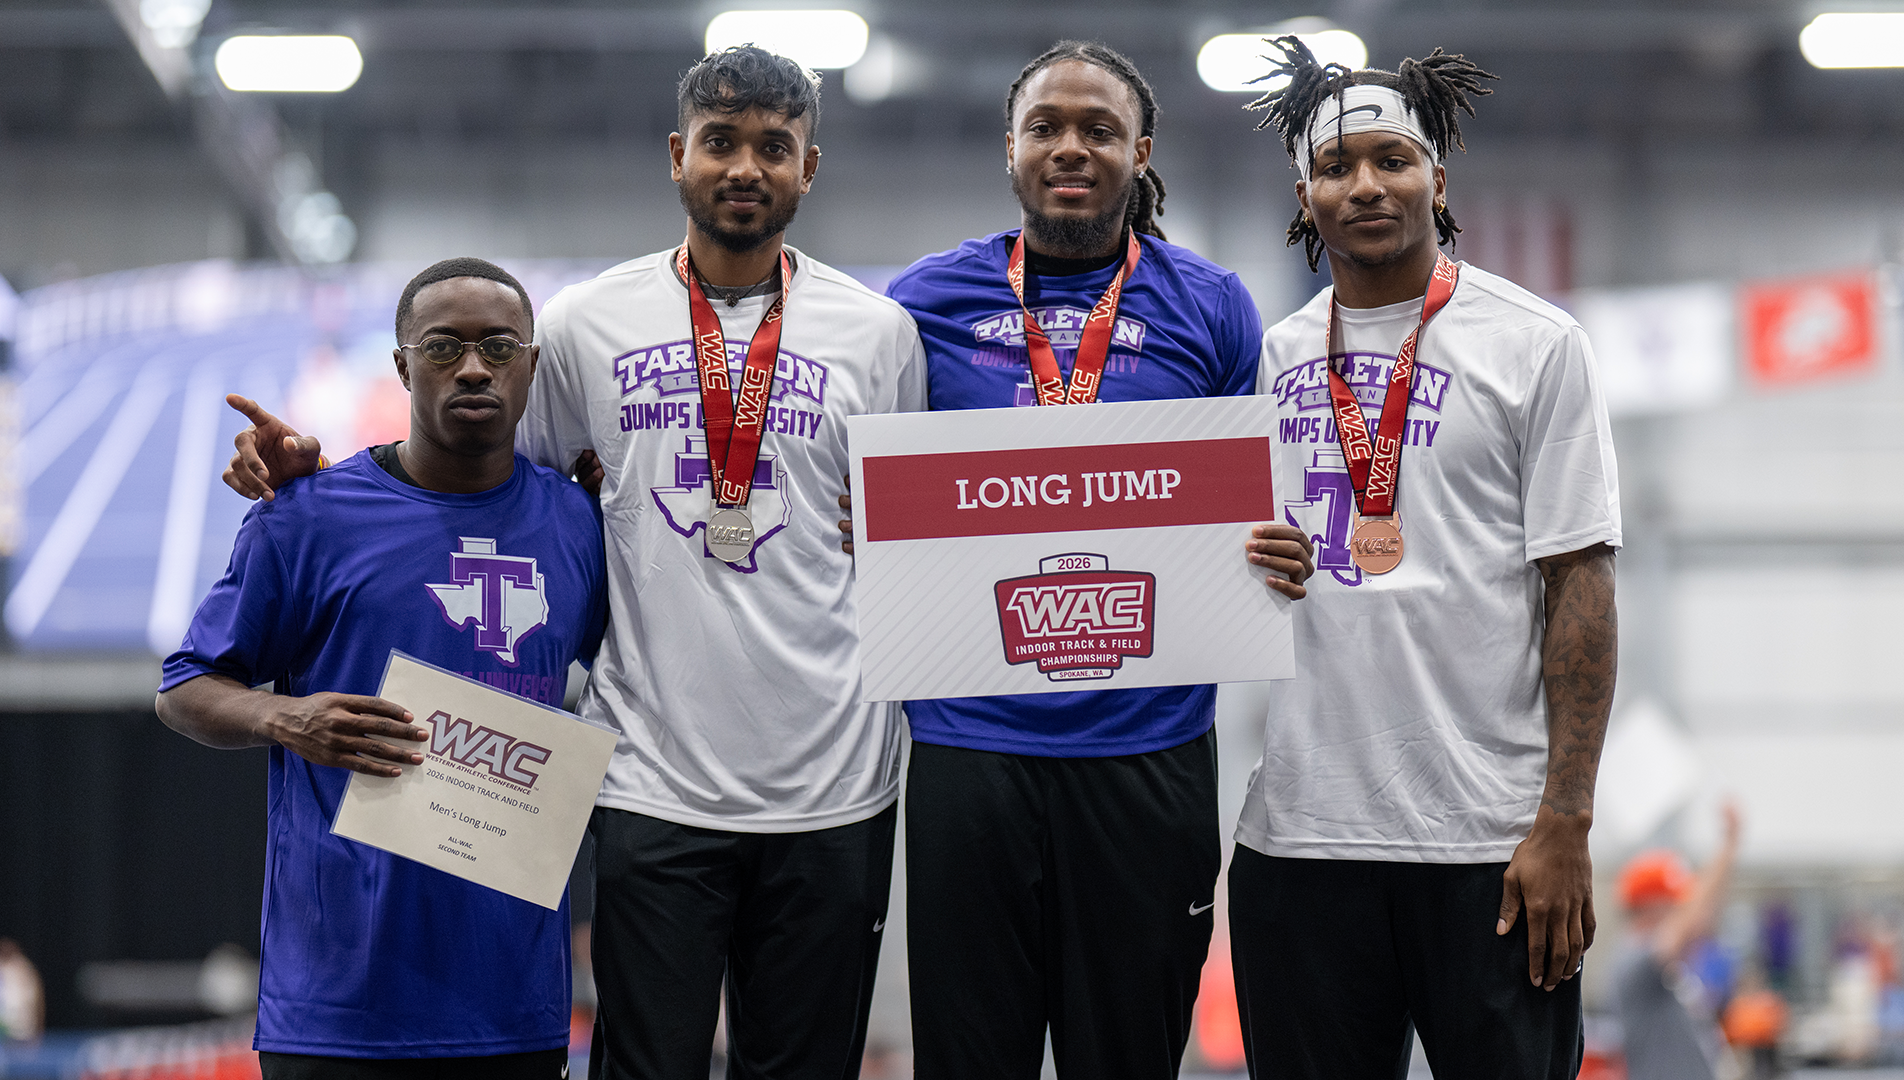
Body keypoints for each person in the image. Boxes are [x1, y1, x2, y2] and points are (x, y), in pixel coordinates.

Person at [222, 47, 926, 1080]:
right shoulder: (587, 325)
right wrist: (331, 485)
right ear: (677, 156)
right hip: (649, 786)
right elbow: (481, 479)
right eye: (720, 143)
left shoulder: (881, 334)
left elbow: (898, 546)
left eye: (773, 147)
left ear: (808, 167)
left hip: (838, 785)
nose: (744, 167)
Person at [877, 40, 1312, 1080]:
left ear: (1139, 150)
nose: (1072, 148)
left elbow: (1261, 499)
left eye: (1099, 130)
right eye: (1048, 128)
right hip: (968, 747)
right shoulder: (923, 301)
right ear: (1012, 149)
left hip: (1146, 750)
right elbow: (855, 485)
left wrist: (1277, 544)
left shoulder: (1211, 305)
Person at [1229, 39, 1622, 1079]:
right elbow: (1210, 566)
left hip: (1490, 851)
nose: (1365, 184)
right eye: (1336, 165)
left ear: (1437, 179)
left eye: (1391, 160)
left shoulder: (1535, 345)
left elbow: (1579, 585)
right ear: (1304, 193)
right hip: (1302, 843)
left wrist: (1566, 824)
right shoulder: (1267, 359)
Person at [160, 258, 607, 1078]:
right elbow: (184, 687)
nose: (473, 366)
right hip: (335, 1009)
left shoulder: (579, 524)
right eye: (443, 345)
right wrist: (282, 718)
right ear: (401, 365)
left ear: (532, 366)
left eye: (499, 345)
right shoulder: (307, 517)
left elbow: (648, 671)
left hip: (513, 1007)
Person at [1616, 806, 1745, 1080]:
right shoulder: (1632, 959)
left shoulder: (1667, 966)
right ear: (1650, 907)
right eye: (1674, 905)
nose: (1681, 912)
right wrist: (1727, 847)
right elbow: (1686, 925)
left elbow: (1700, 921)